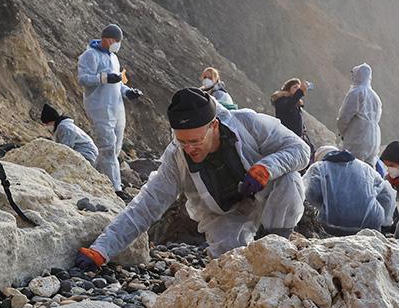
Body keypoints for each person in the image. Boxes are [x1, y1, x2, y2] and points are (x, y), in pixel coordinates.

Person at [74, 88, 310, 268]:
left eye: (196, 141)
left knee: (289, 181)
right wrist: (102, 249)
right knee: (231, 266)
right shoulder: (177, 157)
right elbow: (146, 206)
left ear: (214, 125)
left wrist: (266, 168)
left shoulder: (248, 123)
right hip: (222, 213)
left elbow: (300, 150)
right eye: (182, 141)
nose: (189, 148)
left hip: (263, 191)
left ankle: (277, 244)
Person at [76, 23, 142, 195]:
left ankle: (95, 177)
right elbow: (83, 79)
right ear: (107, 38)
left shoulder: (114, 58)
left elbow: (118, 83)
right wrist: (105, 78)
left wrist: (129, 92)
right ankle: (116, 188)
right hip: (99, 107)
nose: (117, 44)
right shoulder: (90, 55)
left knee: (115, 147)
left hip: (117, 107)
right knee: (108, 147)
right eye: (116, 41)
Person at [303, 145, 397, 235]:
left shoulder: (319, 168)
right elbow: (387, 194)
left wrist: (324, 207)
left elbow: (311, 194)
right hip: (370, 224)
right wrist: (385, 222)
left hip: (332, 225)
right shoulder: (366, 168)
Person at [336, 62, 383, 167]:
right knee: (368, 173)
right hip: (374, 139)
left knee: (352, 169)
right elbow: (377, 118)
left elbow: (344, 116)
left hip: (357, 138)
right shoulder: (375, 97)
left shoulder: (356, 92)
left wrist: (342, 132)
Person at [271, 78, 309, 143]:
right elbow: (288, 106)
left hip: (297, 139)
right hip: (286, 138)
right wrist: (300, 91)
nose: (297, 89)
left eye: (299, 87)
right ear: (288, 89)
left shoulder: (296, 105)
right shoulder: (282, 100)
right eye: (295, 87)